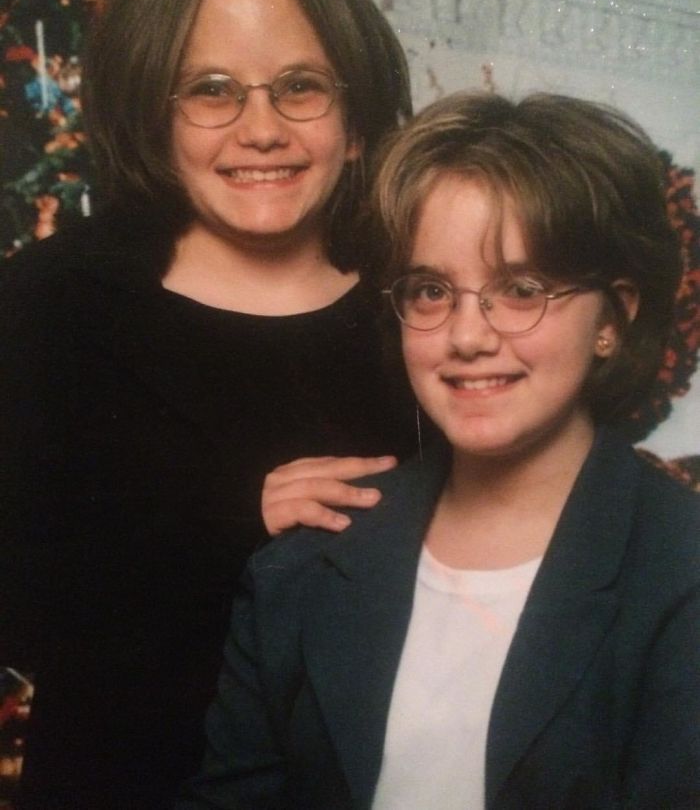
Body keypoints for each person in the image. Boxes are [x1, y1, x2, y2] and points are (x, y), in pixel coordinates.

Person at [176, 92, 700, 809]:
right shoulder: (304, 563)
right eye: (430, 291)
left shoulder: (682, 572)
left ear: (613, 316)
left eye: (521, 289)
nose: (466, 336)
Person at [0, 0, 414, 807]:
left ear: (356, 117)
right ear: (153, 113)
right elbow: (22, 602)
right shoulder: (53, 301)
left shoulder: (417, 302)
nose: (261, 129)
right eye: (212, 90)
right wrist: (234, 522)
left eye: (301, 86)